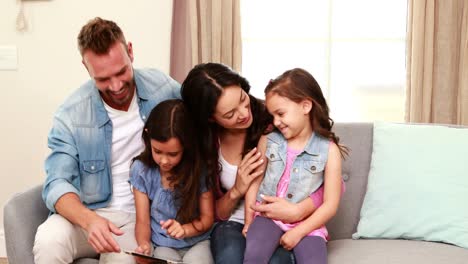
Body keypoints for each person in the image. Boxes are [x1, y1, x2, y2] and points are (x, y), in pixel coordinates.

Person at [33, 17, 181, 264]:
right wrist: (89, 220)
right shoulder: (71, 113)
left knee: (124, 261)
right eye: (102, 79)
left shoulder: (162, 88)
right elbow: (56, 182)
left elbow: (206, 110)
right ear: (85, 66)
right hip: (86, 214)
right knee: (49, 240)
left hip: (137, 218)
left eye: (121, 72)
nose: (116, 86)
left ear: (130, 51)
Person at [181, 63, 325, 264]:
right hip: (232, 224)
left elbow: (323, 174)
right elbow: (213, 213)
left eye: (242, 99)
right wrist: (237, 190)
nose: (243, 113)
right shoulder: (206, 144)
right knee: (230, 259)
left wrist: (298, 210)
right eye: (230, 114)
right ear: (211, 119)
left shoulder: (275, 119)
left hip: (277, 222)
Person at [243, 68, 348, 264]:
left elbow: (330, 204)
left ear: (305, 106)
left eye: (280, 113)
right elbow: (255, 182)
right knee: (254, 256)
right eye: (272, 115)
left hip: (308, 224)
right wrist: (249, 220)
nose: (276, 121)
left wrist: (299, 232)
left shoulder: (329, 151)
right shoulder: (268, 140)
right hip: (268, 216)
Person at [129, 99, 214, 264]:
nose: (164, 161)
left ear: (186, 146)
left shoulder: (199, 169)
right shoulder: (141, 170)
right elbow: (142, 221)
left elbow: (207, 218)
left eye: (173, 154)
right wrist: (144, 245)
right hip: (163, 242)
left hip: (197, 240)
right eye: (157, 151)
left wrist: (184, 230)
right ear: (148, 136)